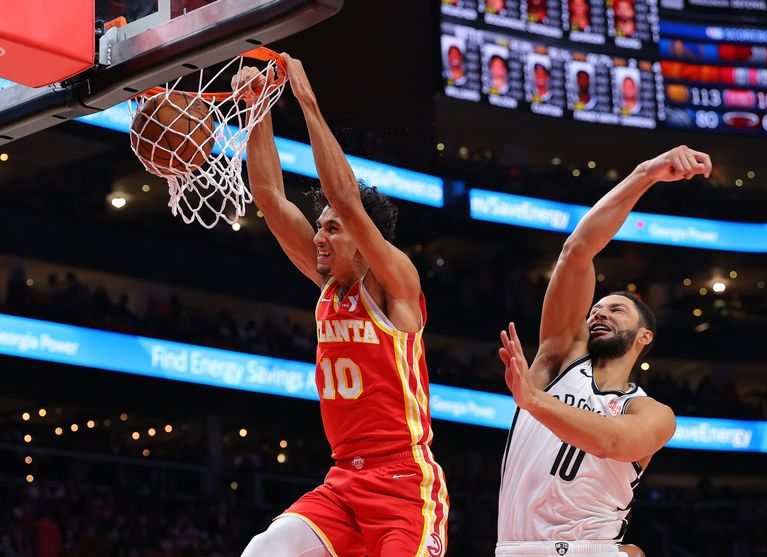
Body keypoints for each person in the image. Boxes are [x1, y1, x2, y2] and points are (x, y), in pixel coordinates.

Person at [233, 55, 449, 557]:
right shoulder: (328, 284)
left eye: (332, 229)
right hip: (342, 483)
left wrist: (306, 102)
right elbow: (267, 194)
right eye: (320, 226)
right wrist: (258, 108)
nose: (320, 236)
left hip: (403, 483)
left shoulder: (395, 286)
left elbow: (347, 199)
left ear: (363, 241)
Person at [495, 146, 713, 557]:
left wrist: (534, 402)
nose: (599, 311)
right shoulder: (558, 358)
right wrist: (644, 173)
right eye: (596, 308)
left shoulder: (652, 413)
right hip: (515, 548)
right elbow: (577, 251)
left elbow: (614, 442)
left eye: (616, 309)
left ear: (644, 336)